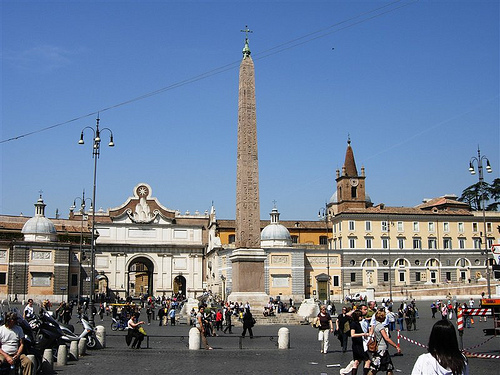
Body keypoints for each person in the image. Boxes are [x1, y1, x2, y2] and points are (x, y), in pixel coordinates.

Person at [368, 310, 401, 374]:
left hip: (379, 348)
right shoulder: (380, 326)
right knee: (375, 369)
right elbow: (386, 338)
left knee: (388, 368)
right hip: (382, 350)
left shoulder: (375, 325)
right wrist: (396, 346)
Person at [350, 309, 370, 375]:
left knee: (357, 361)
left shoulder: (357, 323)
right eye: (360, 316)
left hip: (357, 344)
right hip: (358, 345)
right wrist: (363, 334)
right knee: (367, 361)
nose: (361, 317)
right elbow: (352, 334)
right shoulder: (354, 324)